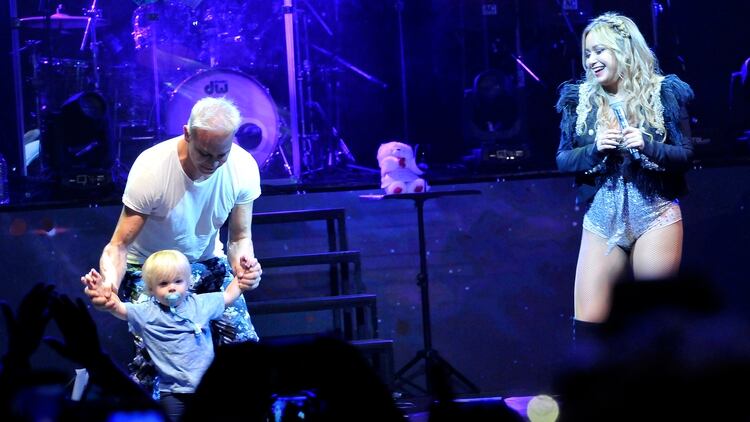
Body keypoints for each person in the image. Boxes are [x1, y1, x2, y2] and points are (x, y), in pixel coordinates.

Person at [82, 96, 263, 394]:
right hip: (152, 270)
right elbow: (118, 246)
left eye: (222, 155)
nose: (214, 164)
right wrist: (110, 285)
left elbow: (240, 238)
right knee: (160, 359)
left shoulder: (243, 167)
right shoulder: (152, 168)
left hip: (207, 264)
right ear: (187, 134)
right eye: (205, 155)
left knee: (244, 349)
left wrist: (245, 268)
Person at [555, 12, 694, 338]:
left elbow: (686, 155)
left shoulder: (664, 94)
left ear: (624, 50)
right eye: (588, 53)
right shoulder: (580, 100)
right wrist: (596, 149)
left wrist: (647, 145)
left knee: (654, 322)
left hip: (655, 216)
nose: (592, 60)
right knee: (588, 323)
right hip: (602, 221)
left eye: (600, 51)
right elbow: (563, 159)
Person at [83, 250, 252, 421]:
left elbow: (229, 295)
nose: (172, 287)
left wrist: (243, 276)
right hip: (172, 393)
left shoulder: (200, 304)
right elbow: (116, 307)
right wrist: (100, 291)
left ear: (187, 282)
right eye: (163, 284)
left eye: (178, 281)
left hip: (206, 389)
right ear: (151, 289)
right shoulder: (147, 312)